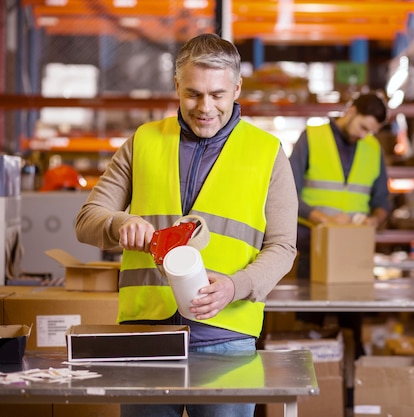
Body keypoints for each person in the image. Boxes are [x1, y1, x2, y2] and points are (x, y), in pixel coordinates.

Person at [75, 33, 298, 417]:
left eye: (217, 95)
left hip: (226, 336)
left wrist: (235, 286)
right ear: (176, 85)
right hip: (147, 335)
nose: (205, 107)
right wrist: (118, 223)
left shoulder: (267, 153)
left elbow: (282, 247)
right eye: (193, 93)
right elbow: (86, 221)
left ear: (237, 88)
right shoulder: (143, 141)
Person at [288, 91, 390, 358]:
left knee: (351, 333)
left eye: (372, 131)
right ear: (351, 112)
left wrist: (373, 220)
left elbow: (382, 202)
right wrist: (325, 220)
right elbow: (287, 194)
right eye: (364, 127)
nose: (366, 135)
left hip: (353, 254)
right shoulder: (312, 138)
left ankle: (347, 392)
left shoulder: (373, 148)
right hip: (313, 248)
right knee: (310, 328)